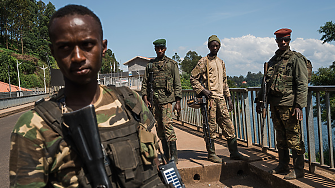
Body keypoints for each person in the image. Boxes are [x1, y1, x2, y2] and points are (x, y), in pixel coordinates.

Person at [9, 5, 168, 187]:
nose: (77, 57)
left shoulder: (130, 101)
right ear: (54, 52)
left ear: (103, 47)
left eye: (87, 45)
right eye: (65, 47)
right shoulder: (33, 127)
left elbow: (154, 162)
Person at [256, 28, 308, 180]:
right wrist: (260, 100)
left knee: (294, 138)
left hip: (290, 106)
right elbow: (265, 82)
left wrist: (299, 105)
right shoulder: (273, 60)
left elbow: (302, 83)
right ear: (276, 41)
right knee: (280, 137)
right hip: (275, 104)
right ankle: (283, 165)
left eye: (286, 39)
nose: (283, 42)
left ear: (289, 40)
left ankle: (299, 169)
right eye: (280, 40)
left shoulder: (296, 58)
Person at [190, 35, 248, 163]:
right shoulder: (203, 61)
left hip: (221, 99)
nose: (214, 48)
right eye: (212, 46)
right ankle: (211, 154)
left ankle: (234, 152)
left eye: (217, 46)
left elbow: (224, 82)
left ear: (219, 47)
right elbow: (193, 78)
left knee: (229, 126)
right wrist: (202, 90)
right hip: (209, 100)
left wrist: (229, 98)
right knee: (210, 128)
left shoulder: (221, 62)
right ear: (209, 47)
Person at [141, 39, 182, 163]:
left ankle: (174, 157)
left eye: (162, 48)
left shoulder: (171, 64)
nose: (159, 50)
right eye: (157, 48)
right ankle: (167, 154)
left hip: (167, 100)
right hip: (155, 101)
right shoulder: (150, 65)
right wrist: (145, 99)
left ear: (165, 49)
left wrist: (178, 102)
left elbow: (177, 83)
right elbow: (145, 84)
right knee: (159, 128)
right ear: (155, 49)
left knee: (167, 125)